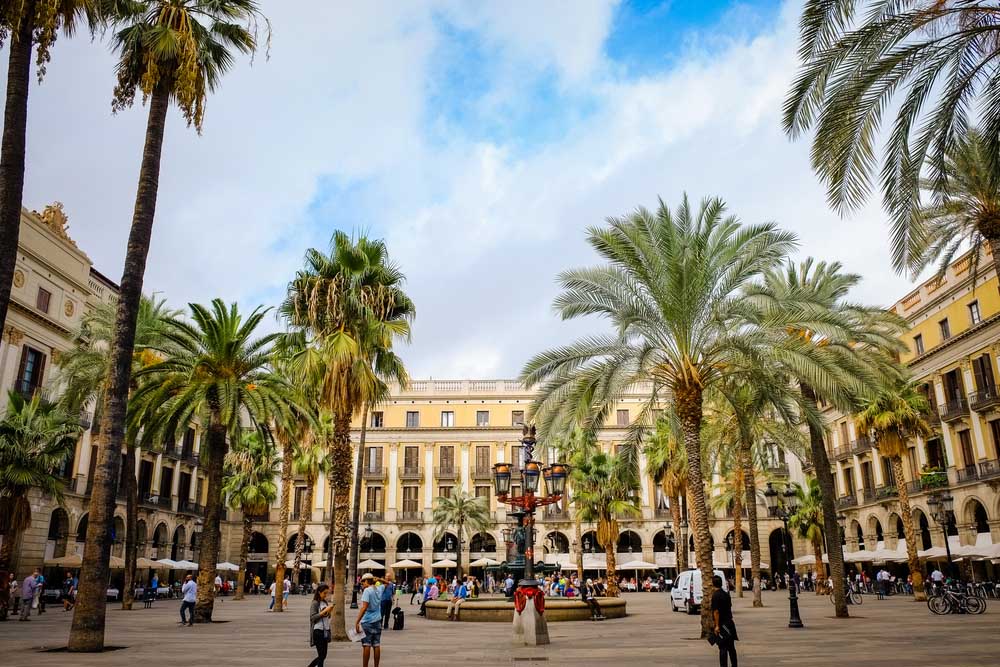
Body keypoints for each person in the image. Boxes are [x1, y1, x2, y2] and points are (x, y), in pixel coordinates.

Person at [356, 574, 384, 667]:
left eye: (363, 582)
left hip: (367, 621)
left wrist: (357, 621)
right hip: (378, 620)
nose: (362, 584)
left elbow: (364, 607)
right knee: (376, 645)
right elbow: (388, 582)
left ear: (367, 581)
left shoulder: (367, 591)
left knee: (366, 645)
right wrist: (378, 579)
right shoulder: (378, 588)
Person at [710, 575, 738, 667]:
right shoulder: (726, 594)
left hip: (722, 624)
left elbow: (716, 612)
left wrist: (717, 626)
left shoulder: (715, 596)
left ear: (713, 584)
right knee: (731, 647)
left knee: (722, 648)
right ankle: (734, 665)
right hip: (730, 623)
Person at [308, 583, 333, 667]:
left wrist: (329, 612)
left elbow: (327, 616)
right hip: (318, 631)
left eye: (327, 593)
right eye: (324, 593)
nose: (326, 595)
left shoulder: (324, 602)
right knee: (321, 655)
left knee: (323, 655)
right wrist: (323, 612)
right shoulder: (315, 603)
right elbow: (312, 617)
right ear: (319, 592)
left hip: (325, 630)